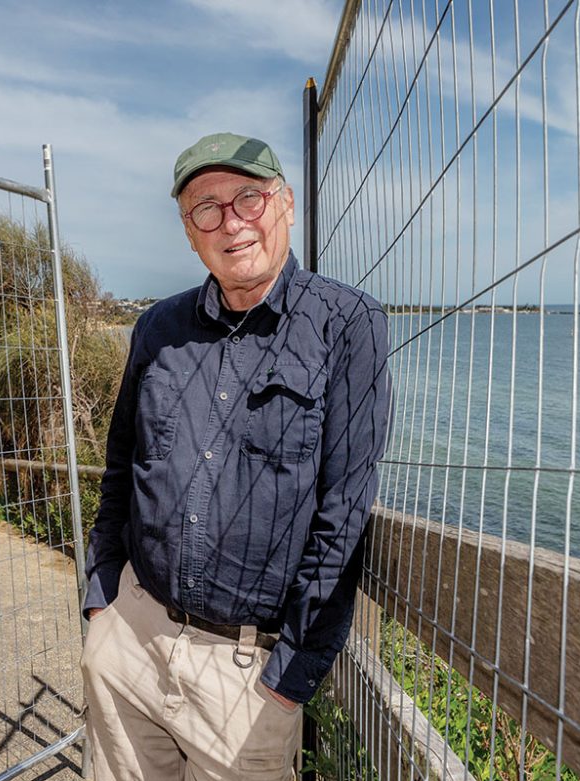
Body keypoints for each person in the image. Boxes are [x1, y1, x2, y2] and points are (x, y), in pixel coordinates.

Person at [80, 132, 391, 780]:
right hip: (129, 638)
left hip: (246, 679)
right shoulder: (156, 330)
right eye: (206, 208)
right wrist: (102, 600)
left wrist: (287, 682)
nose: (231, 221)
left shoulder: (347, 323)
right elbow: (119, 467)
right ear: (189, 232)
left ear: (286, 204)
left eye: (248, 197)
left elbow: (344, 516)